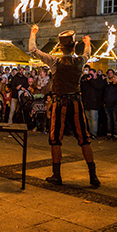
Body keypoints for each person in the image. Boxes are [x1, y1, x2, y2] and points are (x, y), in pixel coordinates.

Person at [28, 24, 99, 187]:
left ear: (60, 47)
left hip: (59, 103)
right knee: (84, 139)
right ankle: (93, 176)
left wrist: (33, 33)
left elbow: (33, 50)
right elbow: (88, 53)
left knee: (55, 140)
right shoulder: (80, 61)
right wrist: (87, 42)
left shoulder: (54, 61)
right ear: (74, 45)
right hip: (76, 103)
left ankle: (57, 175)